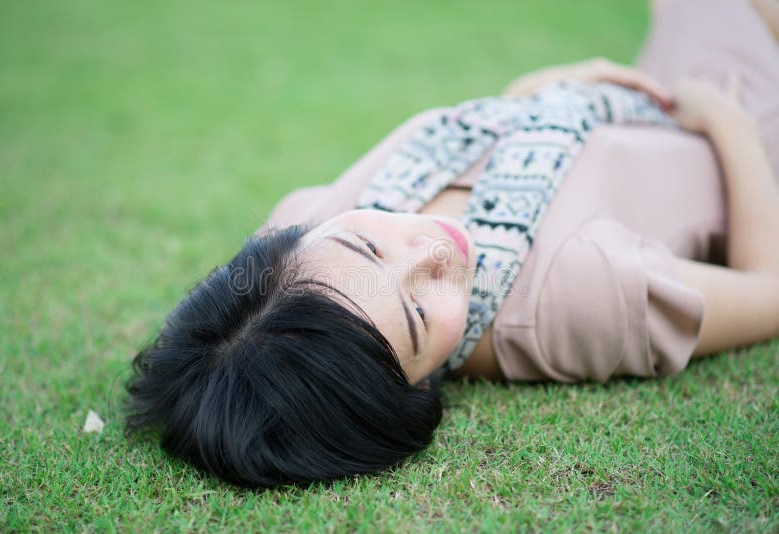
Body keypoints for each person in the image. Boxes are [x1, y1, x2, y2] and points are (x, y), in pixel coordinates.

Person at [125, 0, 779, 488]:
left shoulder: (307, 220)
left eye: (369, 249)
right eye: (415, 317)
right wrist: (731, 125)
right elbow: (769, 289)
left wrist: (540, 96)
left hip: (660, 84)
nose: (432, 252)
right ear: (415, 391)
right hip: (745, 124)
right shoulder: (578, 298)